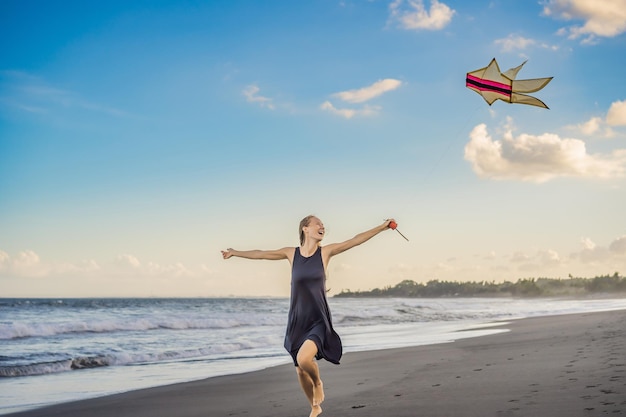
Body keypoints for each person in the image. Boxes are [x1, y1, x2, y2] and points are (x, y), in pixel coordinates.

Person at [221, 215, 395, 417]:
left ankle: (318, 383)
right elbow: (261, 254)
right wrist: (235, 253)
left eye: (322, 225)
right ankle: (314, 407)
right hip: (297, 320)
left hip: (318, 319)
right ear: (305, 229)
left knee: (304, 360)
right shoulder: (291, 254)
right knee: (300, 370)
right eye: (318, 223)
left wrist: (382, 228)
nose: (322, 226)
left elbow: (355, 240)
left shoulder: (325, 253)